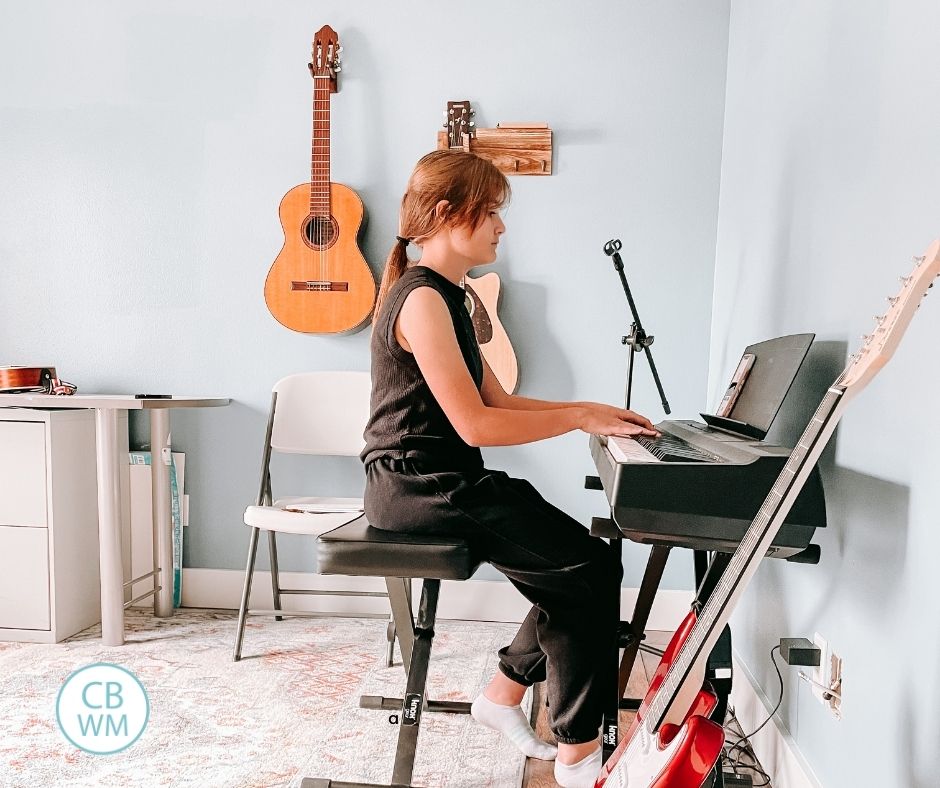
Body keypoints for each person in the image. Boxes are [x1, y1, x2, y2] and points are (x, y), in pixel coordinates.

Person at [361, 149, 658, 788]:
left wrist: (588, 408)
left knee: (590, 561)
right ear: (447, 213)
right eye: (492, 211)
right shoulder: (420, 301)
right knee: (581, 567)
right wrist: (579, 420)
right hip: (418, 485)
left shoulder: (452, 296)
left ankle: (501, 696)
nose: (501, 226)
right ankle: (579, 753)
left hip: (443, 477)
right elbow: (476, 426)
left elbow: (497, 400)